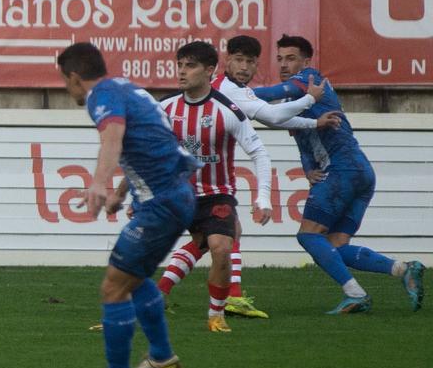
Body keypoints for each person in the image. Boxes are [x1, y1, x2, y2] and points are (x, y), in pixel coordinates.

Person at [55, 42, 191, 368]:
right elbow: (149, 145)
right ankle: (161, 355)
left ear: (73, 77)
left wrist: (99, 182)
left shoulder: (102, 95)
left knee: (113, 288)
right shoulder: (128, 89)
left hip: (162, 203)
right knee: (135, 277)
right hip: (174, 195)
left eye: (64, 82)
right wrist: (120, 192)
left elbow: (113, 136)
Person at [158, 32, 327, 319]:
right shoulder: (224, 95)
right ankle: (223, 298)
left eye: (251, 62)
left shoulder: (232, 94)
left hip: (211, 192)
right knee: (218, 238)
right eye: (239, 60)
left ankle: (173, 294)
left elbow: (266, 119)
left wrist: (310, 123)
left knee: (218, 239)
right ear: (225, 62)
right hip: (185, 191)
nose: (245, 67)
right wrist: (309, 100)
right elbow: (272, 116)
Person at [250, 37, 424, 315]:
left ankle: (356, 294)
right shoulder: (297, 99)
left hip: (342, 170)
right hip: (360, 172)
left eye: (291, 58)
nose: (284, 64)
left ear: (306, 62)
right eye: (280, 58)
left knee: (308, 236)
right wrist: (308, 168)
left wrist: (231, 94)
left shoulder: (309, 80)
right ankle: (403, 269)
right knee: (335, 245)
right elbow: (302, 137)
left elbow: (269, 94)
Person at [156, 41, 276, 334]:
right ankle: (149, 300)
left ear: (210, 71)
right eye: (180, 65)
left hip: (217, 194)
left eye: (190, 66)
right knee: (181, 246)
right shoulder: (166, 107)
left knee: (221, 247)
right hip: (179, 195)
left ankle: (215, 315)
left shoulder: (228, 110)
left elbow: (259, 153)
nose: (182, 72)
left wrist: (263, 198)